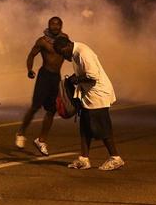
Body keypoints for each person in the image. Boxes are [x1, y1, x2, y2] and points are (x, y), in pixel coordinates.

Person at [53, 37, 125, 171]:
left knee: (102, 128)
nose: (63, 56)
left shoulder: (82, 53)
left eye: (63, 52)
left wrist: (76, 79)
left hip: (98, 95)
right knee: (85, 127)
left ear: (68, 45)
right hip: (89, 94)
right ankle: (84, 159)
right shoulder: (76, 52)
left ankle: (115, 158)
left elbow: (93, 76)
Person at [16, 16, 68, 155]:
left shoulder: (64, 39)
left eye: (57, 24)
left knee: (51, 110)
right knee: (35, 107)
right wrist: (29, 70)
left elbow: (69, 54)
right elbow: (31, 55)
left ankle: (41, 140)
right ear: (48, 25)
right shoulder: (42, 41)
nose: (55, 27)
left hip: (56, 77)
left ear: (61, 25)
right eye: (52, 24)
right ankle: (21, 132)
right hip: (44, 76)